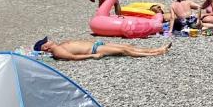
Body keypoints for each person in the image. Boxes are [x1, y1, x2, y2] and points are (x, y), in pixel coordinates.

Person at [34, 36, 171, 61]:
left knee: (127, 46)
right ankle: (156, 54)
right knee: (125, 51)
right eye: (47, 41)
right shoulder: (58, 51)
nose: (50, 40)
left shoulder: (58, 45)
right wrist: (92, 56)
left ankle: (156, 49)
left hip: (97, 45)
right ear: (46, 47)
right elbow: (73, 57)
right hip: (95, 51)